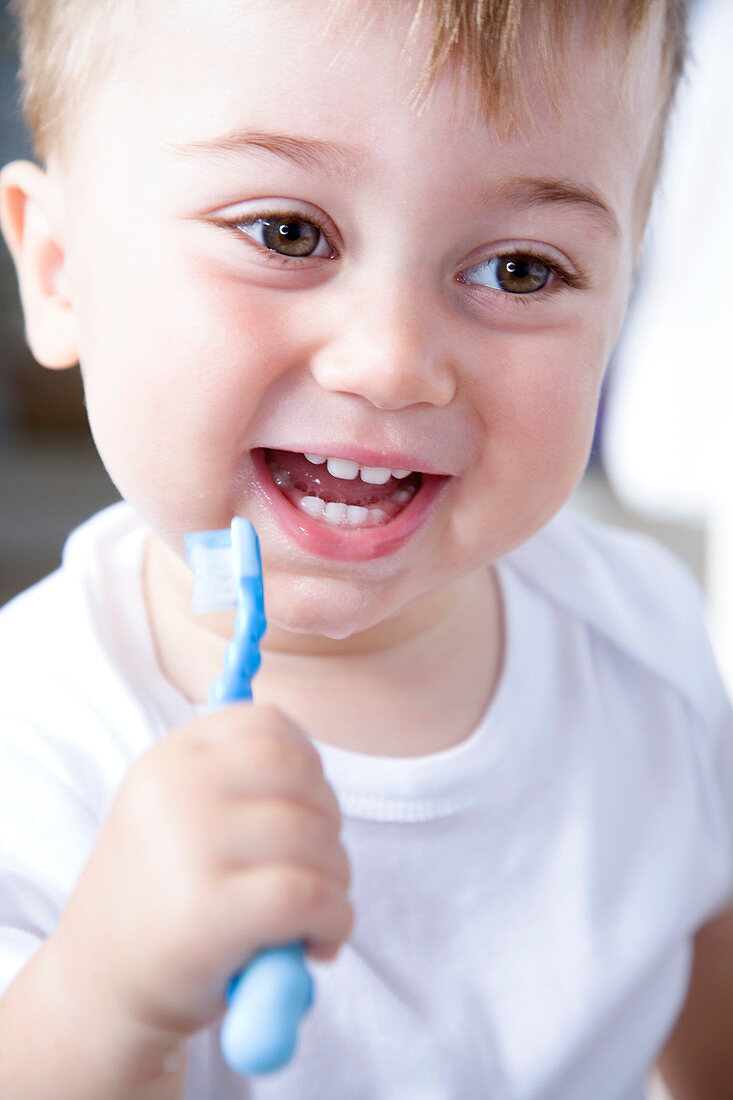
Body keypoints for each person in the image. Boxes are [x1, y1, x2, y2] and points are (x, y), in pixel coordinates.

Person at [0, 1, 730, 1097]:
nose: (392, 362)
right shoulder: (35, 745)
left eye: (521, 270)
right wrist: (97, 1000)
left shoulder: (644, 638)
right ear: (60, 271)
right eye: (287, 232)